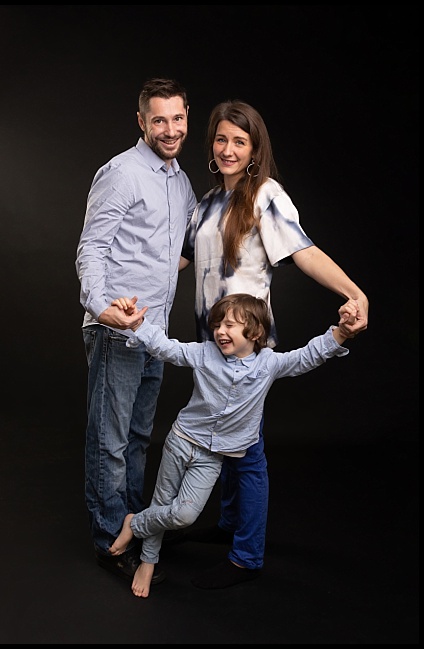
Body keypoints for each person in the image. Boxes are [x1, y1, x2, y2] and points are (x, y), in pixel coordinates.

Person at [176, 99, 370, 589]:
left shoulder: (265, 196)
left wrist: (354, 292)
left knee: (247, 449)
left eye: (239, 141)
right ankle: (228, 526)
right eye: (221, 139)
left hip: (244, 348)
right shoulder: (205, 203)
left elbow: (303, 252)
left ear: (254, 149)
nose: (227, 149)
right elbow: (178, 263)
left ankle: (246, 555)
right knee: (226, 440)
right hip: (210, 345)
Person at [105, 293, 358, 597]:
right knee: (163, 501)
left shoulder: (269, 364)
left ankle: (136, 523)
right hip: (181, 440)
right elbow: (166, 348)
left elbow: (307, 356)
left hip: (214, 456)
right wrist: (139, 324)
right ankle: (148, 561)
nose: (220, 331)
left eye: (231, 326)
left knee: (183, 515)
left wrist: (342, 332)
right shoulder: (204, 354)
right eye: (219, 324)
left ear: (255, 333)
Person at [76, 78, 198, 584]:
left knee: (139, 436)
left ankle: (132, 524)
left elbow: (176, 252)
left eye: (177, 118)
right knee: (110, 439)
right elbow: (92, 249)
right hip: (118, 333)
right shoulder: (122, 173)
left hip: (156, 335)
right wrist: (104, 308)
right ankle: (110, 540)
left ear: (187, 117)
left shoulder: (181, 181)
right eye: (159, 120)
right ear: (142, 122)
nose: (169, 129)